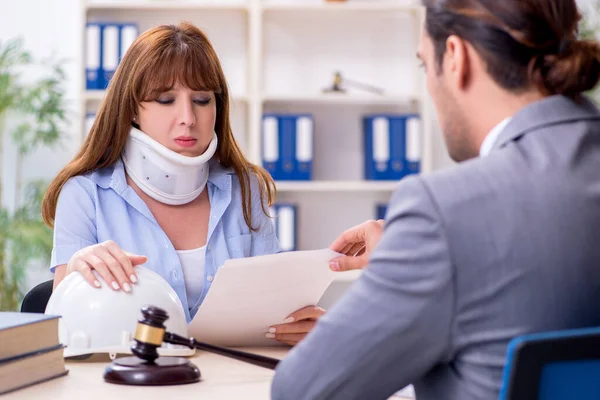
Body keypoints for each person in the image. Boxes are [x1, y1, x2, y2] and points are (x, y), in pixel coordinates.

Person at [271, 0, 600, 398]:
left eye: (425, 66)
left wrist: (394, 276)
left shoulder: (446, 212)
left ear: (455, 57)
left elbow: (301, 390)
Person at [41, 22, 323, 346]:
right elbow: (62, 333)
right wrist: (76, 275)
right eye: (165, 100)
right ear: (133, 108)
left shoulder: (246, 190)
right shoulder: (84, 196)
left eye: (202, 100)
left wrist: (303, 326)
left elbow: (278, 312)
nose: (188, 117)